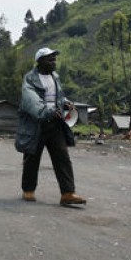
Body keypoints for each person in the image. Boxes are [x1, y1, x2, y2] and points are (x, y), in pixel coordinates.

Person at [14, 48, 86, 206]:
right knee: (32, 158)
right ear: (39, 62)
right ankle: (28, 190)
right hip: (37, 124)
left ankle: (67, 193)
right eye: (50, 60)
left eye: (54, 59)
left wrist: (65, 102)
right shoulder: (30, 79)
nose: (54, 63)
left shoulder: (55, 77)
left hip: (55, 124)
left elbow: (57, 95)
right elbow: (31, 100)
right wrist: (47, 111)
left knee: (62, 157)